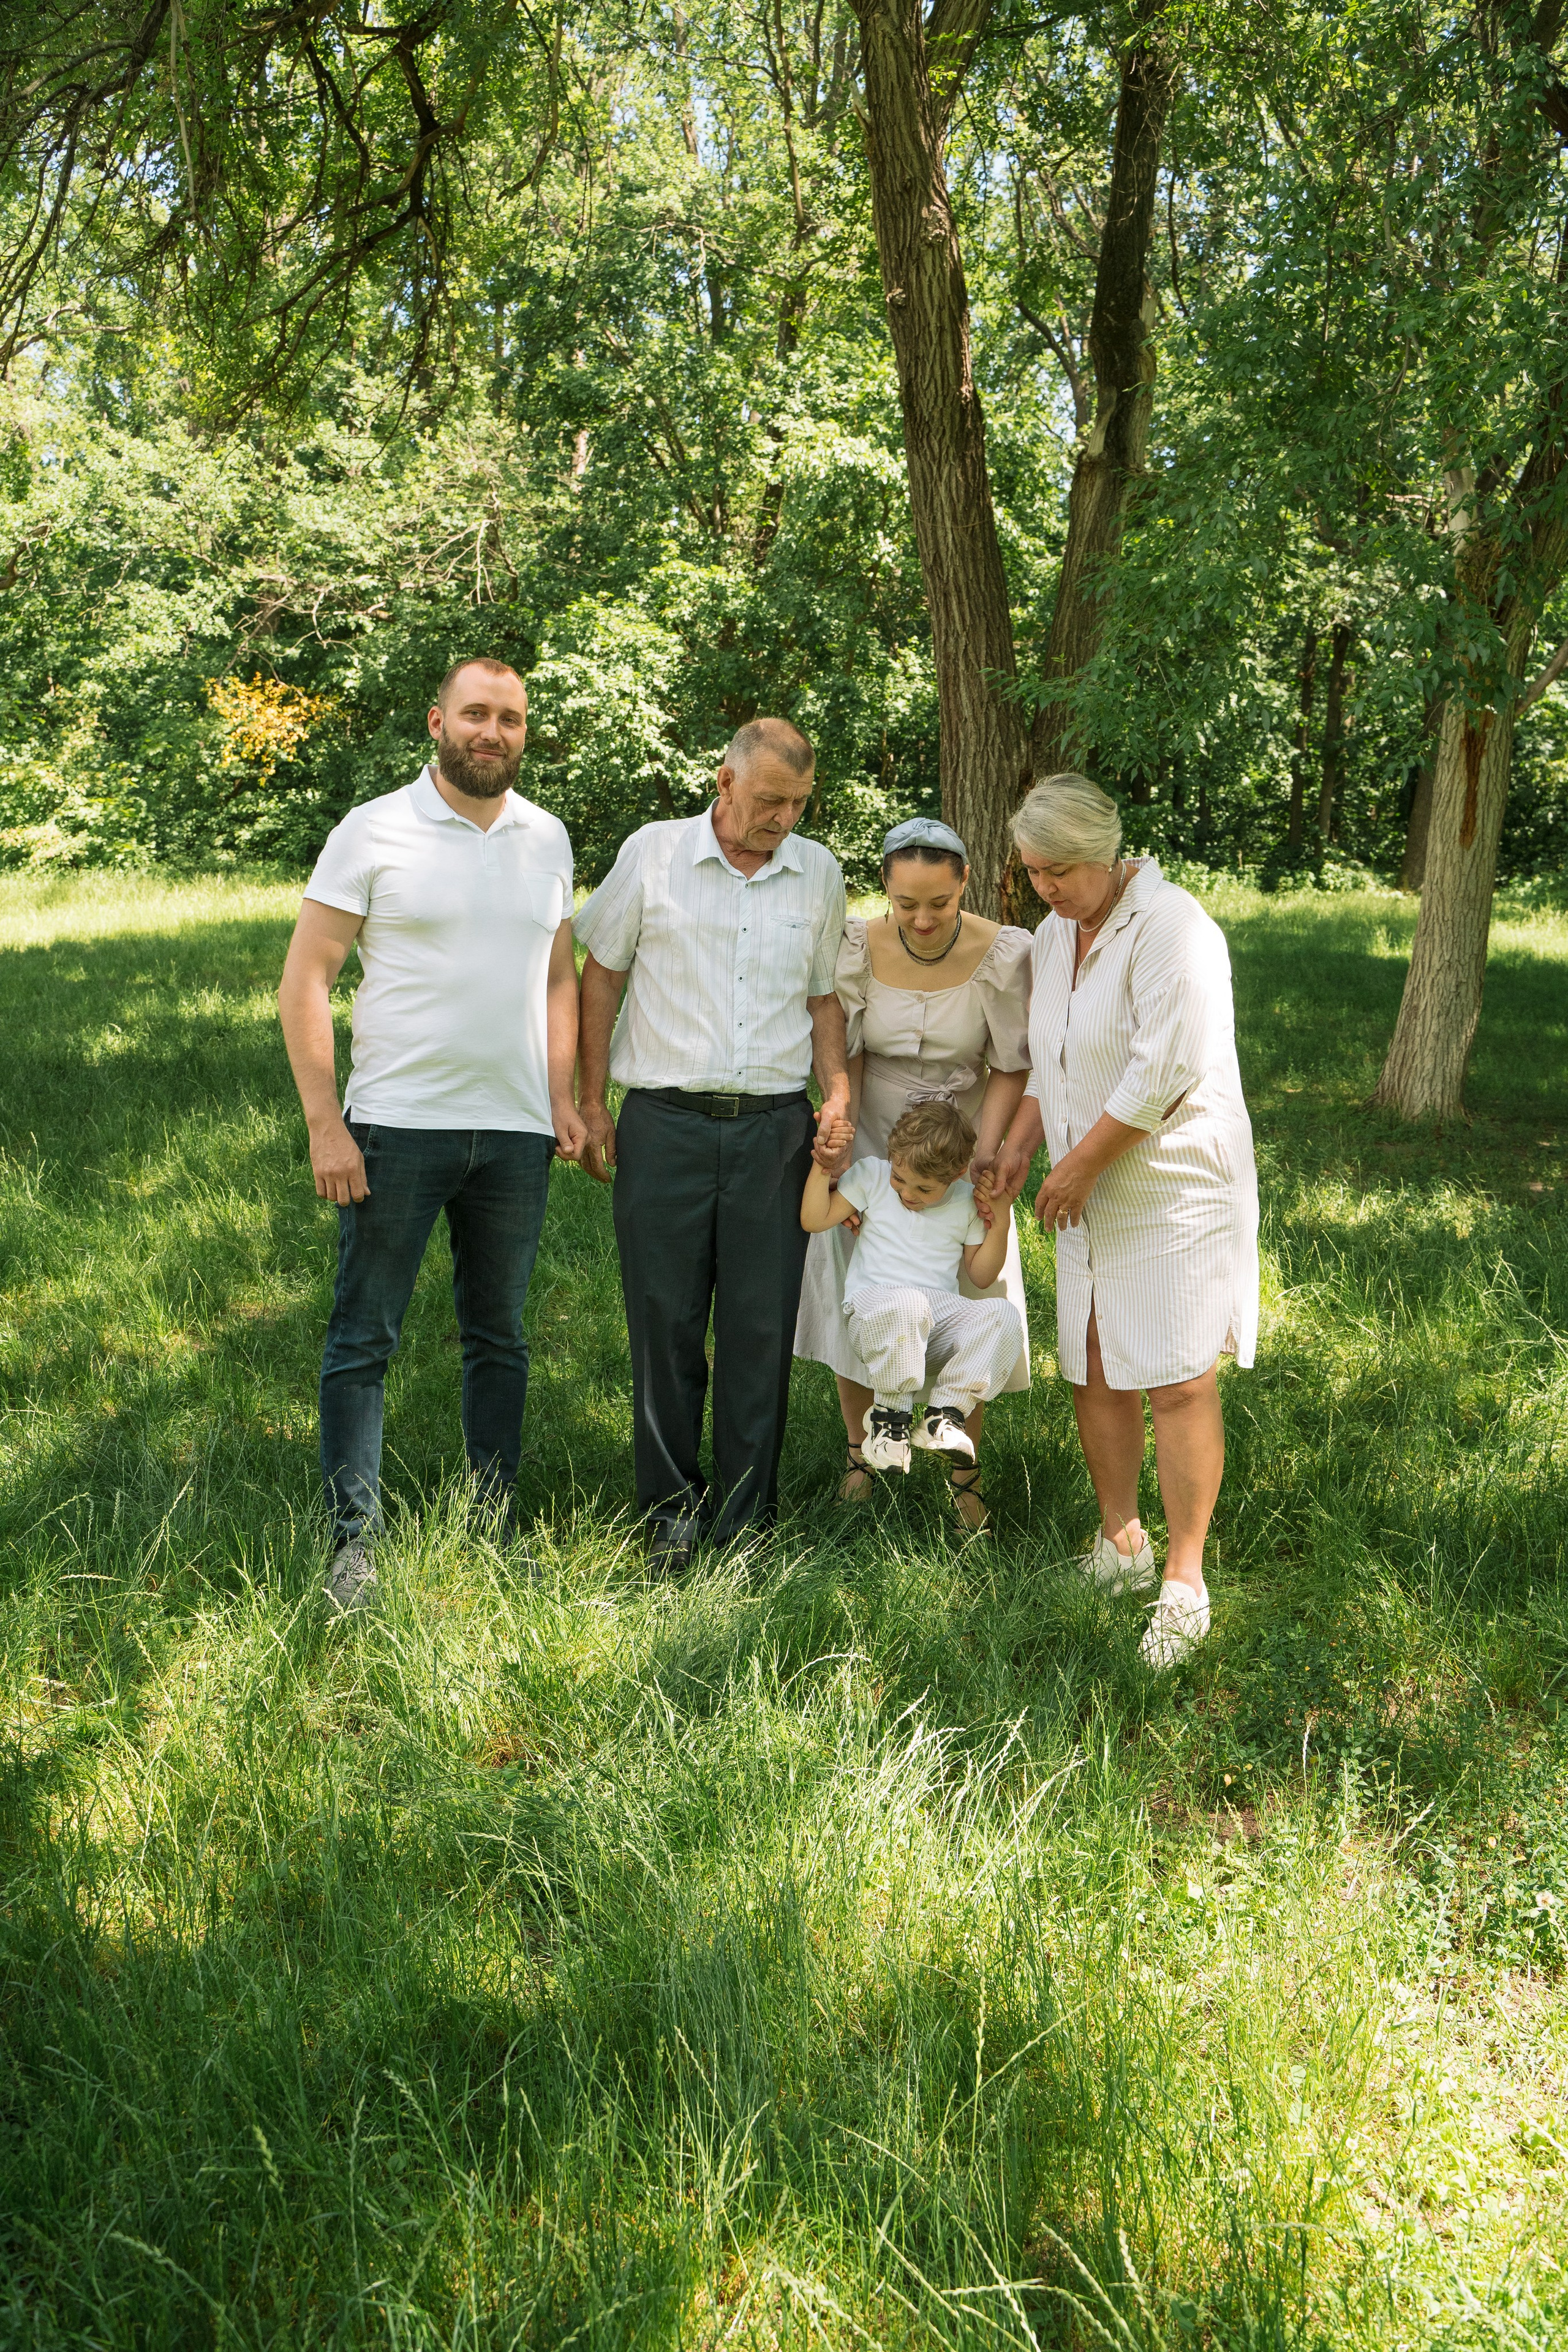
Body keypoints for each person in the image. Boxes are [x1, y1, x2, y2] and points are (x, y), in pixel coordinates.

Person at [277, 656, 586, 1616]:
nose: (493, 732)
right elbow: (306, 980)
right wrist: (326, 1125)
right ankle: (354, 1545)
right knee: (363, 1338)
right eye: (475, 713)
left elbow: (560, 980)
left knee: (501, 1337)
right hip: (396, 1127)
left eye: (511, 718)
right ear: (437, 722)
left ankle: (496, 1524)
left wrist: (565, 1097)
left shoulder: (547, 837)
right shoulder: (373, 829)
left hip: (515, 1134)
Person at [990, 772, 1259, 1669]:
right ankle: (1122, 1545)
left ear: (1107, 854)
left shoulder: (1174, 928)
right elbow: (1051, 1064)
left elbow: (1165, 1071)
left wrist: (1078, 1167)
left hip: (1171, 1184)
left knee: (1177, 1375)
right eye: (1032, 872)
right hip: (1087, 1183)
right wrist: (1023, 1148)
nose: (1046, 888)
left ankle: (1185, 1584)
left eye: (1060, 871)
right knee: (1094, 1358)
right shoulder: (1052, 936)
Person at [575, 718, 851, 1569]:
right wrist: (590, 1101)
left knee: (760, 1329)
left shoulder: (818, 871)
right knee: (664, 1321)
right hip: (664, 1125)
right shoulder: (653, 853)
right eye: (770, 800)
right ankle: (669, 1511)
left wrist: (838, 1092)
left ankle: (744, 1518)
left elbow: (824, 997)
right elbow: (602, 974)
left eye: (798, 804)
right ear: (724, 782)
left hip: (776, 1131)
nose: (784, 819)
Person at [794, 816, 1033, 1530]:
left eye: (939, 903)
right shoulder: (856, 945)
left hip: (961, 1143)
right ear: (884, 890)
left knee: (970, 1290)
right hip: (874, 1141)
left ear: (965, 883)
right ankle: (861, 1455)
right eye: (905, 905)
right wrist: (843, 1137)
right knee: (864, 1290)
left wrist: (985, 1154)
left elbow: (1011, 1064)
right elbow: (846, 1047)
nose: (922, 920)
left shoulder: (1002, 953)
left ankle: (964, 1473)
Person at [802, 1098, 1023, 1475]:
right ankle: (889, 1418)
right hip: (874, 1311)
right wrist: (823, 1168)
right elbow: (813, 1219)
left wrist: (999, 1223)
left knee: (1002, 1314)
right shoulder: (872, 1176)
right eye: (900, 1179)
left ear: (957, 1174)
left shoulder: (966, 1202)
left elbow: (982, 1276)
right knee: (909, 1304)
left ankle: (945, 1416)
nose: (907, 1194)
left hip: (932, 1322)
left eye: (924, 1188)